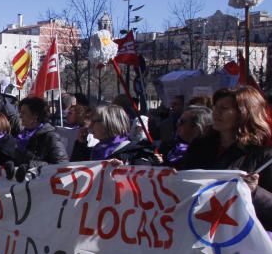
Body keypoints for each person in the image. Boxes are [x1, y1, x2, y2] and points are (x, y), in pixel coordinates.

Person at [177, 86, 272, 229]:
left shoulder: (263, 156)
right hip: (197, 229)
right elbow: (183, 180)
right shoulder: (200, 146)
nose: (216, 112)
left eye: (224, 108)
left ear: (243, 113)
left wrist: (255, 191)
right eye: (215, 107)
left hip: (238, 236)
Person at [72, 104, 156, 165]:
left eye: (94, 121)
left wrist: (124, 170)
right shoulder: (95, 150)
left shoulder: (134, 152)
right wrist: (81, 144)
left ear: (108, 124)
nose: (90, 126)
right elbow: (75, 171)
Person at [13, 97, 69, 174]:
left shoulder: (51, 136)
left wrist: (30, 165)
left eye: (24, 113)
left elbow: (62, 165)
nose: (20, 116)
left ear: (35, 115)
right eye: (20, 112)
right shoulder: (21, 136)